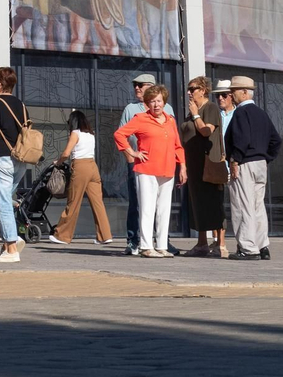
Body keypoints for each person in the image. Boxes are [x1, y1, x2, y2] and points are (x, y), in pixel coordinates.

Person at [114, 83, 187, 258]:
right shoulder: (140, 118)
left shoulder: (170, 120)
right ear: (147, 103)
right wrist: (132, 152)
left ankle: (162, 246)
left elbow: (178, 146)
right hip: (146, 169)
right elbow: (119, 134)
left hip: (168, 169)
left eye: (159, 101)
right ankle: (147, 246)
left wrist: (182, 166)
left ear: (164, 102)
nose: (156, 105)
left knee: (164, 209)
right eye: (152, 101)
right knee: (147, 208)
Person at [226, 76, 282, 261]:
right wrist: (266, 157)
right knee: (258, 206)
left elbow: (242, 139)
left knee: (243, 205)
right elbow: (276, 140)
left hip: (245, 163)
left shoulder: (241, 112)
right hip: (260, 164)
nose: (231, 95)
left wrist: (235, 160)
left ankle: (248, 248)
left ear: (244, 92)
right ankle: (262, 245)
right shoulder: (261, 113)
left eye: (234, 91)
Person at [48, 110, 114, 245]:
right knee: (98, 203)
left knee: (73, 201)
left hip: (80, 166)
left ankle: (62, 236)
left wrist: (58, 162)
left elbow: (66, 153)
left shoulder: (75, 133)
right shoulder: (91, 134)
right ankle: (105, 235)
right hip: (93, 167)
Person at [0, 66, 28, 263]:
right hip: (21, 159)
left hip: (2, 157)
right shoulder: (21, 104)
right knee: (4, 200)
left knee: (2, 202)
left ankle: (11, 248)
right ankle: (11, 241)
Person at [182, 77, 227, 258]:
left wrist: (196, 115)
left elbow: (206, 131)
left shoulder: (210, 108)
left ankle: (220, 244)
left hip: (210, 162)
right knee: (197, 203)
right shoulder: (193, 110)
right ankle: (202, 243)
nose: (189, 92)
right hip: (194, 164)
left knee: (214, 201)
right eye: (188, 89)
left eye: (192, 89)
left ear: (203, 89)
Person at [119, 73, 155, 254]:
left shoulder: (167, 108)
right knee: (136, 202)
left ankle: (160, 240)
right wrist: (130, 158)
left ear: (152, 87)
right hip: (136, 164)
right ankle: (133, 240)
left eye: (141, 85)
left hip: (157, 164)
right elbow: (121, 136)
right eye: (135, 85)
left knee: (157, 202)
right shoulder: (130, 109)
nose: (137, 88)